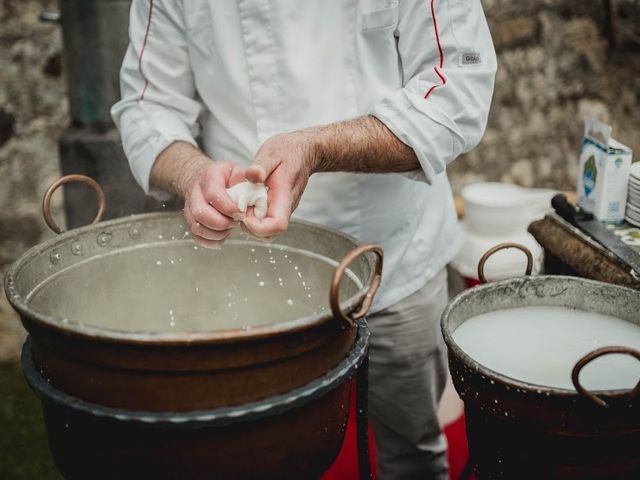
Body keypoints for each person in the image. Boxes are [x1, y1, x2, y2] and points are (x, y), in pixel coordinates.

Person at [112, 1, 496, 478]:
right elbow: (149, 105)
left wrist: (315, 147)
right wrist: (194, 175)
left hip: (392, 254)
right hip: (244, 262)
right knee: (255, 451)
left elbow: (456, 87)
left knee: (412, 452)